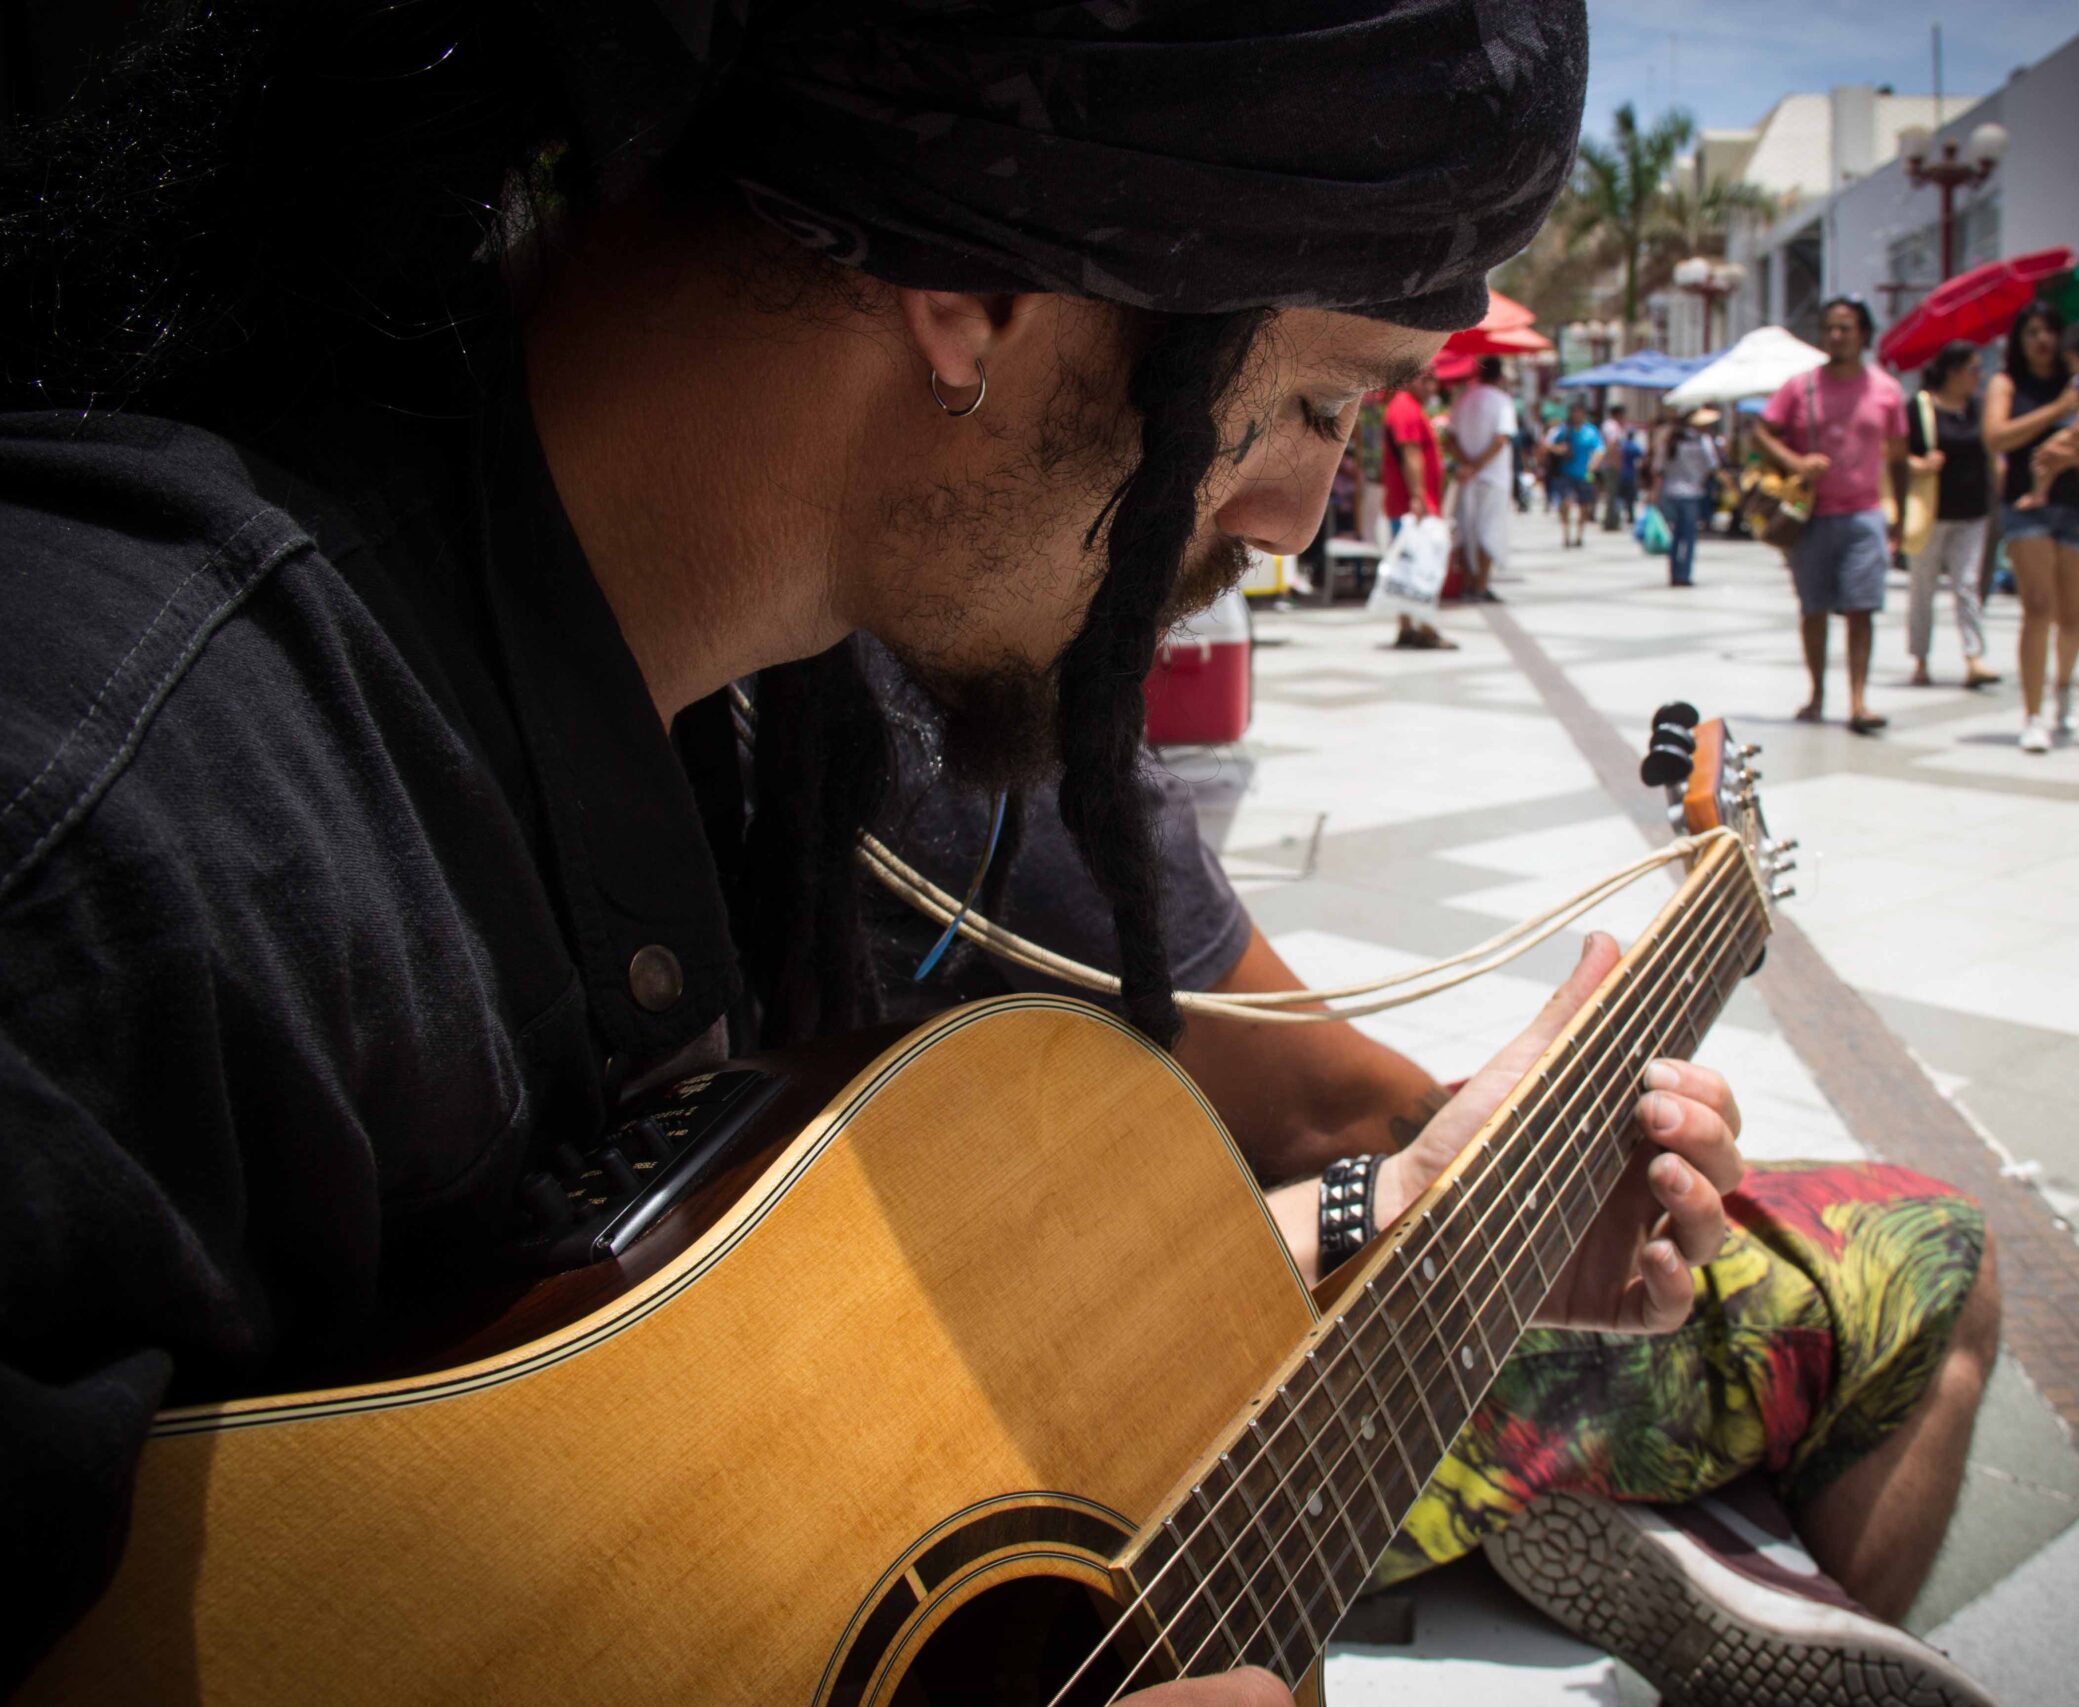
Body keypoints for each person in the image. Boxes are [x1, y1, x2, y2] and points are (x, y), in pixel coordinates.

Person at [0, 5, 1755, 1696]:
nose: (1303, 517)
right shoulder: (101, 855)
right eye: (1318, 406)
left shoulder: (789, 734)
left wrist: (1425, 1215)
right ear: (981, 290)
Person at [863, 666, 2000, 1706]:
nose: (1290, 518)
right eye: (1306, 424)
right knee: (1938, 1243)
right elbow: (1328, 1111)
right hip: (1210, 1469)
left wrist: (1432, 1183)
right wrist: (1430, 1182)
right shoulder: (971, 718)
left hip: (1068, 1439)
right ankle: (1744, 1548)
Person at [1755, 297, 1907, 735]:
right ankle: (1817, 693)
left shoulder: (1886, 391)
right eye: (1829, 328)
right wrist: (1797, 463)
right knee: (1814, 608)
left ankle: (1858, 700)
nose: (1836, 336)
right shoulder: (1799, 387)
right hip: (1812, 516)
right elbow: (1763, 431)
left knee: (1862, 609)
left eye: (1845, 328)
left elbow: (1898, 456)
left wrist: (1899, 514)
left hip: (1865, 515)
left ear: (1863, 334)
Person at [1983, 303, 2079, 753]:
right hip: (2026, 505)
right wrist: (2056, 411)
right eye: (2031, 332)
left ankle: (2063, 689)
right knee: (2037, 605)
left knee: (2073, 613)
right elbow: (1995, 437)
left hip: (2076, 504)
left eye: (2050, 330)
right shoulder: (2007, 383)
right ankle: (2032, 714)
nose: (2042, 341)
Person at [1902, 341, 2000, 689]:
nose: (1979, 376)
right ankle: (1920, 659)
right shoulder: (1921, 407)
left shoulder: (1979, 409)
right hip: (1930, 513)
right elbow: (1896, 456)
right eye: (1974, 369)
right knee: (1923, 587)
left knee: (1967, 585)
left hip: (1973, 511)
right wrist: (1921, 464)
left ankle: (1974, 657)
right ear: (1953, 371)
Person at [2013, 322, 2079, 536]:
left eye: (2071, 362)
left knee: (2042, 454)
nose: (2071, 368)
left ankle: (2039, 492)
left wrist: (2078, 427)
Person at [1380, 368, 1457, 648]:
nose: (1432, 386)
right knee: (1423, 568)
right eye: (1427, 379)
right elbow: (1410, 451)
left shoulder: (1406, 406)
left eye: (1434, 380)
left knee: (1408, 569)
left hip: (1409, 504)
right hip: (1413, 506)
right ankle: (1424, 628)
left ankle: (1407, 627)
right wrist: (1418, 496)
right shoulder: (1405, 407)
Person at [1448, 355, 1518, 603]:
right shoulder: (1502, 401)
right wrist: (1477, 465)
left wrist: (1467, 464)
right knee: (1489, 531)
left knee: (1466, 529)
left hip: (1468, 477)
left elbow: (1451, 438)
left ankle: (1467, 581)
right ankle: (1481, 584)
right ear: (1499, 376)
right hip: (1493, 477)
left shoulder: (1463, 399)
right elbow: (1501, 439)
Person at [1648, 408, 1721, 588]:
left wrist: (1654, 494)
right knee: (1688, 536)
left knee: (1674, 535)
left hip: (1670, 492)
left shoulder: (1670, 442)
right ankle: (1684, 574)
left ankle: (1673, 572)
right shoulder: (1702, 441)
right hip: (1693, 493)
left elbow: (1658, 469)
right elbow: (1712, 465)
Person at [1552, 400, 1604, 548]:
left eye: (1579, 411)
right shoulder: (1564, 430)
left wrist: (1593, 464)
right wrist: (1559, 450)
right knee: (1566, 503)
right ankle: (1566, 533)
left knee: (1584, 506)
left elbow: (1600, 449)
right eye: (1574, 411)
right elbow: (1549, 445)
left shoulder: (1591, 431)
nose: (1576, 415)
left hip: (1584, 474)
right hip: (1566, 473)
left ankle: (1579, 535)